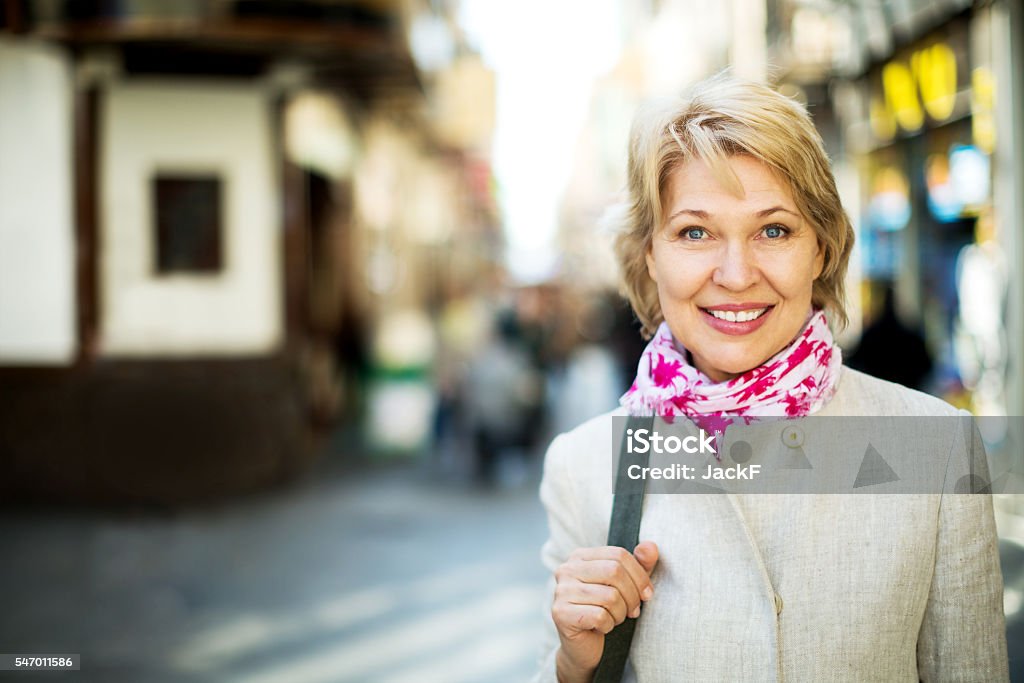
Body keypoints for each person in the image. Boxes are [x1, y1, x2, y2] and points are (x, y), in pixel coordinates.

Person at [533, 75, 1008, 682]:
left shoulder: (936, 448)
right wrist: (575, 663)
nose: (735, 274)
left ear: (821, 249)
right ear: (650, 253)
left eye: (774, 230)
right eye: (695, 232)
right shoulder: (584, 466)